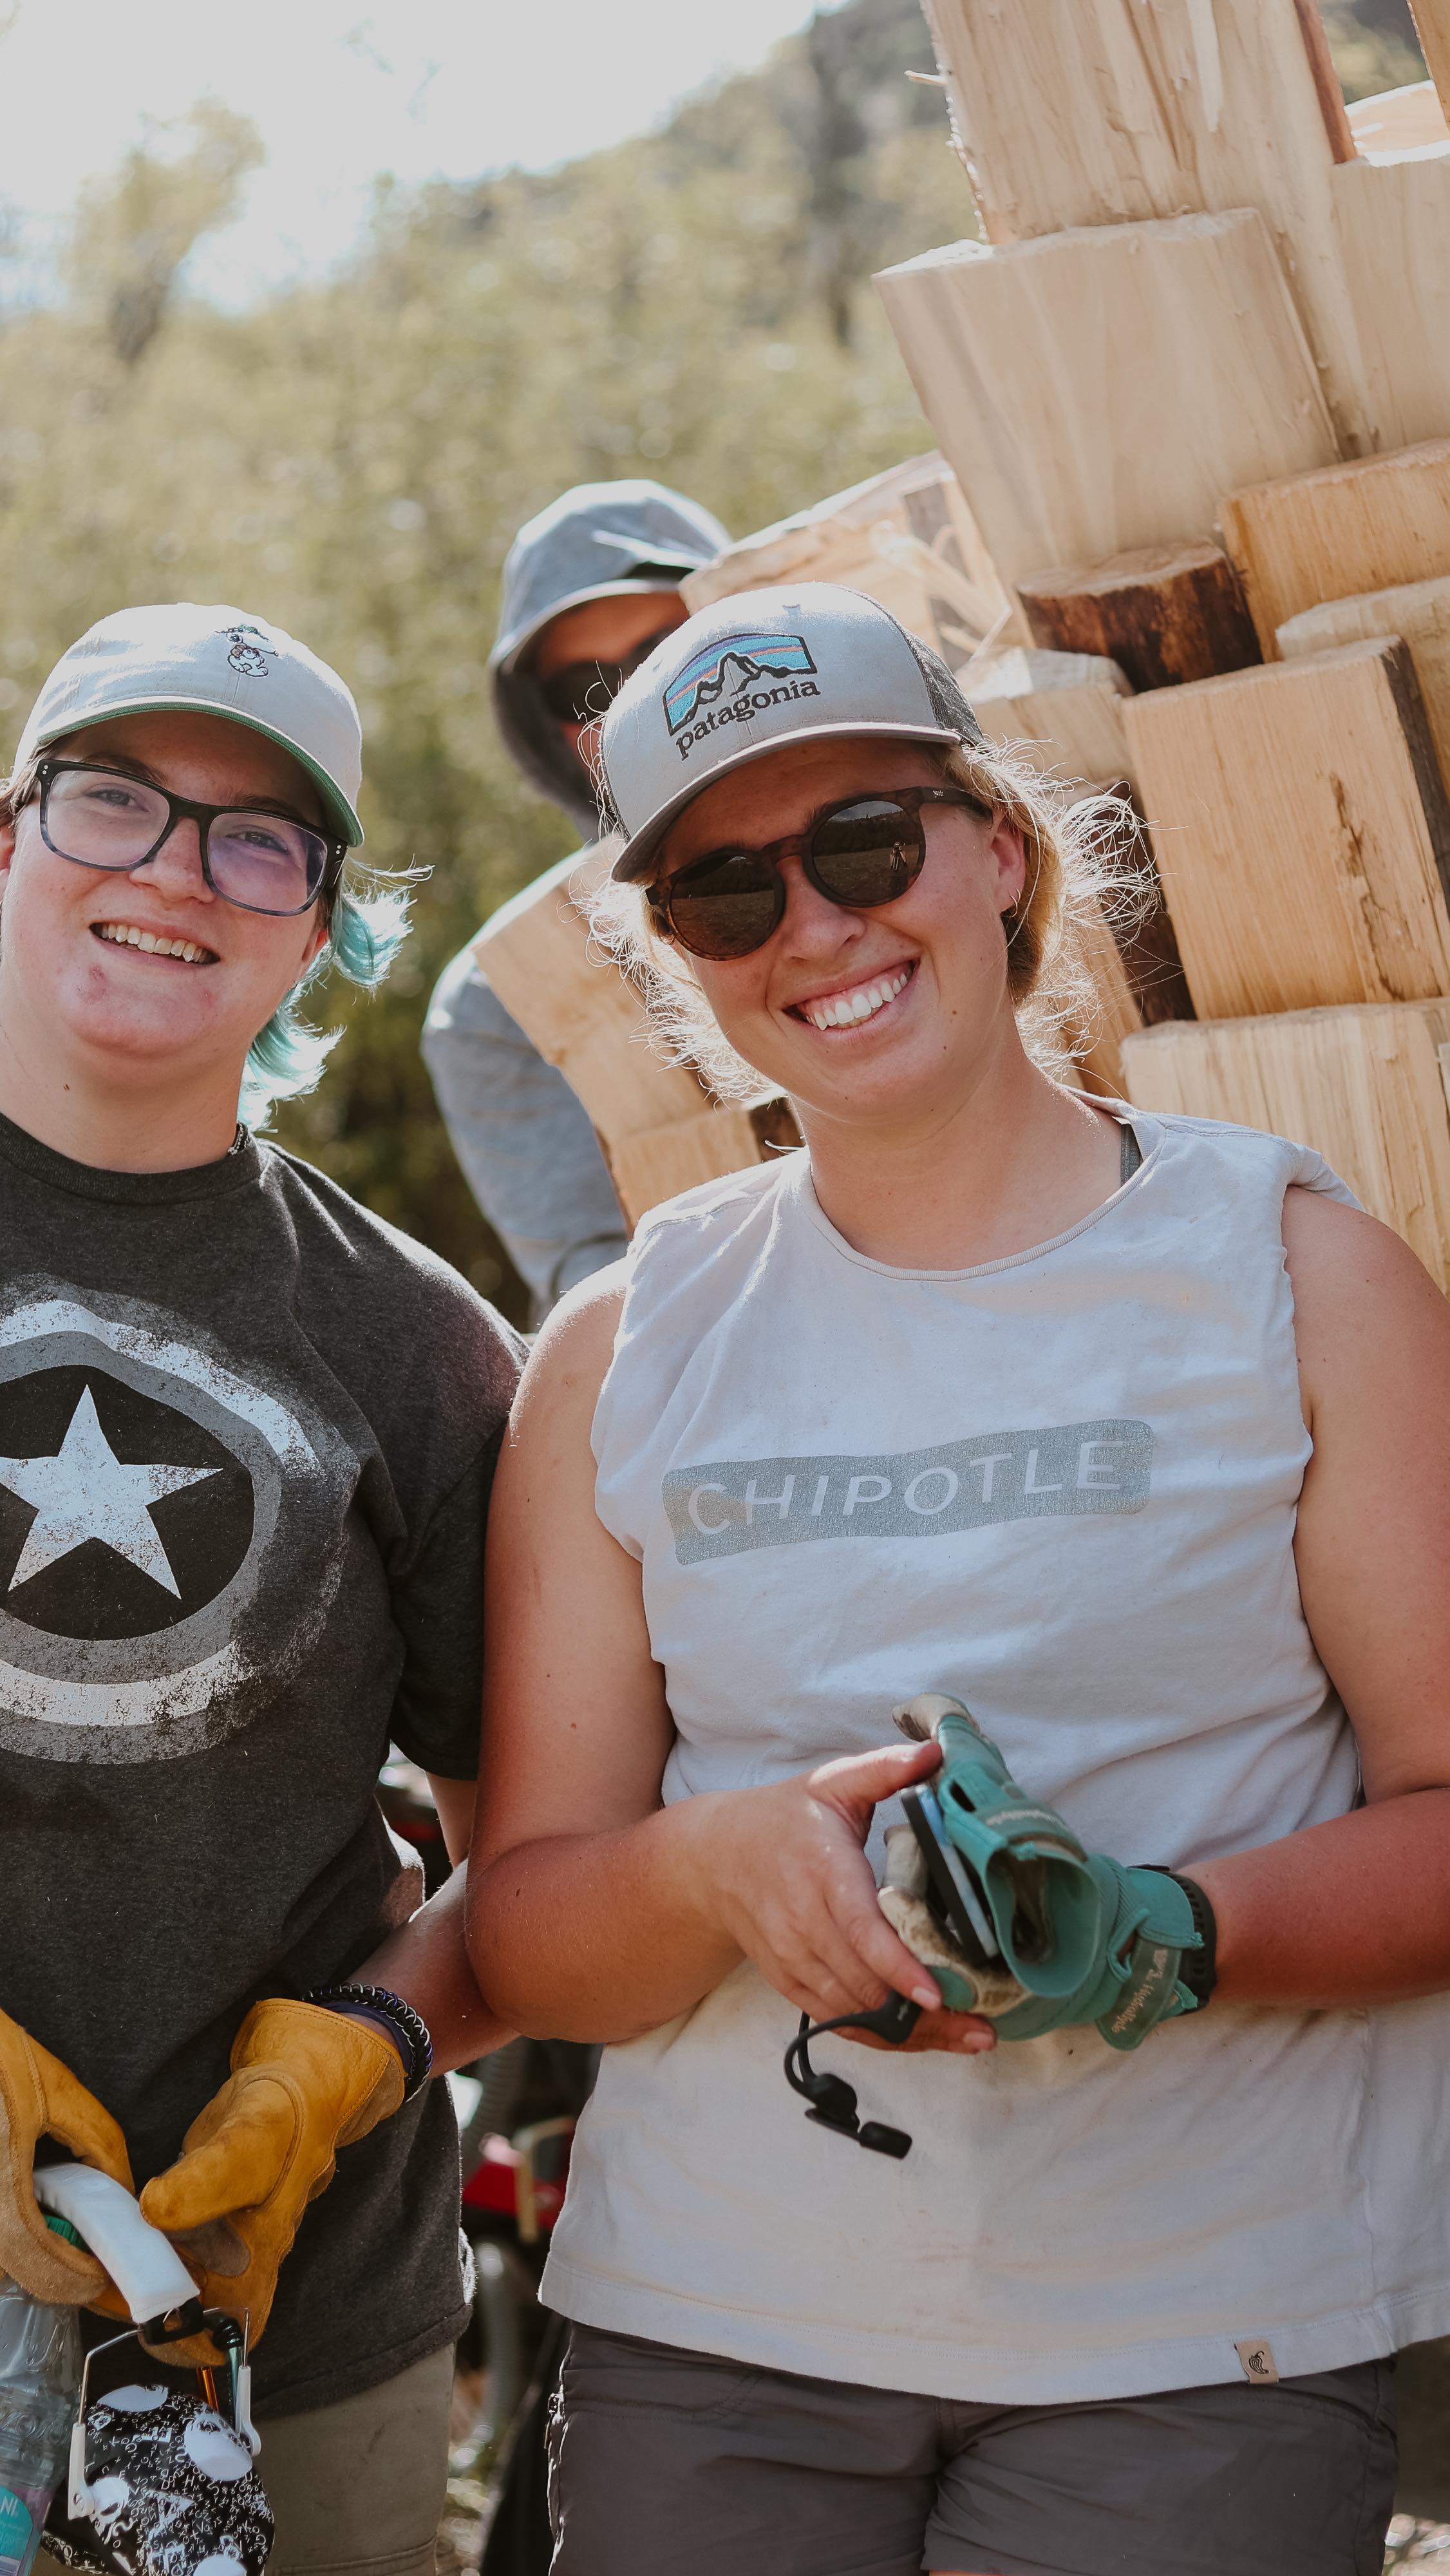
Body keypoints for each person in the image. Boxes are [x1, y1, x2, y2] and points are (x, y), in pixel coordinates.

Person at [467, 581, 1450, 2576]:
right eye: (727, 892)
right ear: (679, 964)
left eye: (860, 841)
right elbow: (536, 1932)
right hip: (712, 2335)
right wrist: (714, 1868)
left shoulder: (1294, 1275)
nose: (815, 927)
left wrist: (1162, 1931)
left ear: (996, 849)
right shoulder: (619, 1349)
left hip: (1203, 2336)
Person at [0, 603, 520, 2576]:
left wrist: (357, 2063)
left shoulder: (425, 1349)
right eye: (115, 802)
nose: (173, 875)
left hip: (284, 2343)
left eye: (255, 840)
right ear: (8, 836)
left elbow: (528, 1874)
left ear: (319, 929)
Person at [422, 479, 728, 1322]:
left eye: (668, 647)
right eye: (584, 687)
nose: (635, 698)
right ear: (547, 727)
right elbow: (623, 1314)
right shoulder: (500, 1010)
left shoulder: (923, 843)